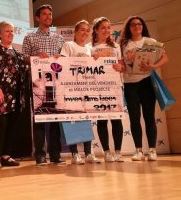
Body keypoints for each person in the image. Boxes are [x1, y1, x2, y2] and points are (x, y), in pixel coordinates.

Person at [120, 16, 169, 161]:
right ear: (129, 28)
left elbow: (165, 58)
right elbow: (121, 63)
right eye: (133, 25)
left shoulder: (150, 42)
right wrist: (122, 67)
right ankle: (138, 150)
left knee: (149, 117)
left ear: (143, 26)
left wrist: (153, 66)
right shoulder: (123, 44)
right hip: (129, 84)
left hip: (146, 82)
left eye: (139, 24)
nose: (136, 26)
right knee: (134, 118)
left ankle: (152, 150)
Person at [22, 4, 66, 166]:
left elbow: (65, 60)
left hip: (56, 82)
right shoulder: (30, 37)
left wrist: (58, 58)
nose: (48, 17)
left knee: (55, 118)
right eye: (45, 14)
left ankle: (55, 154)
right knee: (40, 119)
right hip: (37, 83)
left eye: (50, 14)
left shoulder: (59, 39)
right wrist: (36, 57)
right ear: (37, 18)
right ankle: (40, 154)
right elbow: (24, 57)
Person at [0, 21, 29, 168]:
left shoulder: (17, 53)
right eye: (7, 31)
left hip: (16, 96)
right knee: (0, 125)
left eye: (12, 31)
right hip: (0, 94)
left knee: (12, 125)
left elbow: (29, 65)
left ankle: (6, 155)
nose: (10, 34)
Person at [59, 20, 101, 165]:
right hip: (71, 89)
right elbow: (63, 65)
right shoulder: (68, 45)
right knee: (73, 120)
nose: (84, 33)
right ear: (76, 32)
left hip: (86, 90)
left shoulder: (90, 49)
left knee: (86, 120)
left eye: (87, 30)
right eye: (81, 30)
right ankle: (75, 154)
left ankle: (89, 153)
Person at [88, 17, 125, 163]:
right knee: (102, 121)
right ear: (96, 30)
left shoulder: (116, 47)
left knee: (116, 119)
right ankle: (107, 152)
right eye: (103, 27)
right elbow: (85, 68)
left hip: (115, 87)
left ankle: (118, 151)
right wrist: (92, 60)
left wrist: (120, 68)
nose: (106, 30)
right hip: (98, 88)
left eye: (108, 27)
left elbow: (123, 67)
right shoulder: (89, 47)